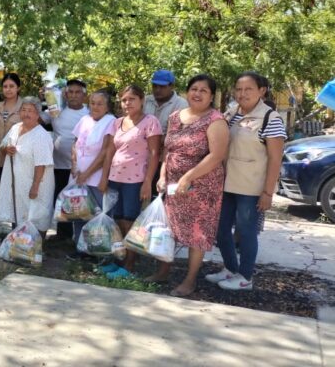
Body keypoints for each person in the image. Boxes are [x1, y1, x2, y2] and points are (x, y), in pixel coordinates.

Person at [150, 74, 229, 297]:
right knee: (169, 229)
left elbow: (216, 156)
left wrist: (188, 178)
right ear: (187, 92)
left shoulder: (215, 120)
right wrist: (162, 175)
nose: (197, 94)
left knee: (197, 233)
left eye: (204, 91)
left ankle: (190, 280)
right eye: (194, 89)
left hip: (203, 188)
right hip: (174, 186)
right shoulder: (176, 116)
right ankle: (163, 271)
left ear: (212, 96)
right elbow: (168, 149)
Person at [207, 72, 286, 291]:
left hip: (251, 187)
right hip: (227, 183)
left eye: (248, 89)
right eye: (239, 89)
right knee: (221, 230)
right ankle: (231, 269)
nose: (242, 94)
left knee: (245, 231)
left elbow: (275, 158)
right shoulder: (231, 113)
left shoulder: (270, 118)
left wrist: (268, 193)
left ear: (262, 91)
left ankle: (245, 277)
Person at [99, 85, 162, 279]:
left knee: (131, 222)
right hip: (115, 179)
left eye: (132, 99)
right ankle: (119, 258)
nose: (127, 103)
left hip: (135, 180)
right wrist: (104, 177)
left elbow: (154, 153)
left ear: (142, 100)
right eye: (124, 100)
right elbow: (110, 151)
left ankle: (130, 264)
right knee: (117, 222)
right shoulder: (117, 123)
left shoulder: (150, 122)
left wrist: (148, 182)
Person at [0, 97, 55, 235]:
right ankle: (16, 245)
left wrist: (35, 187)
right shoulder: (15, 128)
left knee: (35, 215)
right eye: (23, 110)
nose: (26, 114)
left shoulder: (41, 135)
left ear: (37, 114)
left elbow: (41, 164)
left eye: (30, 111)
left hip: (36, 183)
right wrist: (7, 149)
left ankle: (34, 249)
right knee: (17, 211)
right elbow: (3, 146)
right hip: (16, 182)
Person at [68, 90, 116, 259]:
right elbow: (75, 144)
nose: (95, 107)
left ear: (107, 106)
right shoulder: (84, 119)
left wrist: (87, 173)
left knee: (96, 214)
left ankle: (96, 251)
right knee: (79, 212)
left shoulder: (111, 121)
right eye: (93, 103)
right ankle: (80, 249)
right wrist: (74, 165)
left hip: (96, 177)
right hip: (78, 175)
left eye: (100, 103)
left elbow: (104, 152)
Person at [48, 79, 89, 241]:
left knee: (81, 203)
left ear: (84, 96)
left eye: (77, 92)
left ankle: (81, 238)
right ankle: (62, 236)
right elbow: (38, 119)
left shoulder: (90, 113)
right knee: (60, 200)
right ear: (65, 95)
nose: (73, 95)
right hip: (58, 165)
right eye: (70, 92)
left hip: (81, 168)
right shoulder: (56, 112)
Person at [0, 73, 23, 171]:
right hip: (0, 159)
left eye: (12, 86)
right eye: (5, 86)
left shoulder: (25, 107)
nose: (8, 89)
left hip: (19, 157)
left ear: (18, 88)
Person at [143, 69, 188, 134]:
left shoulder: (181, 105)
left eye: (162, 87)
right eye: (155, 86)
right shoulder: (145, 101)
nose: (157, 90)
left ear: (172, 86)